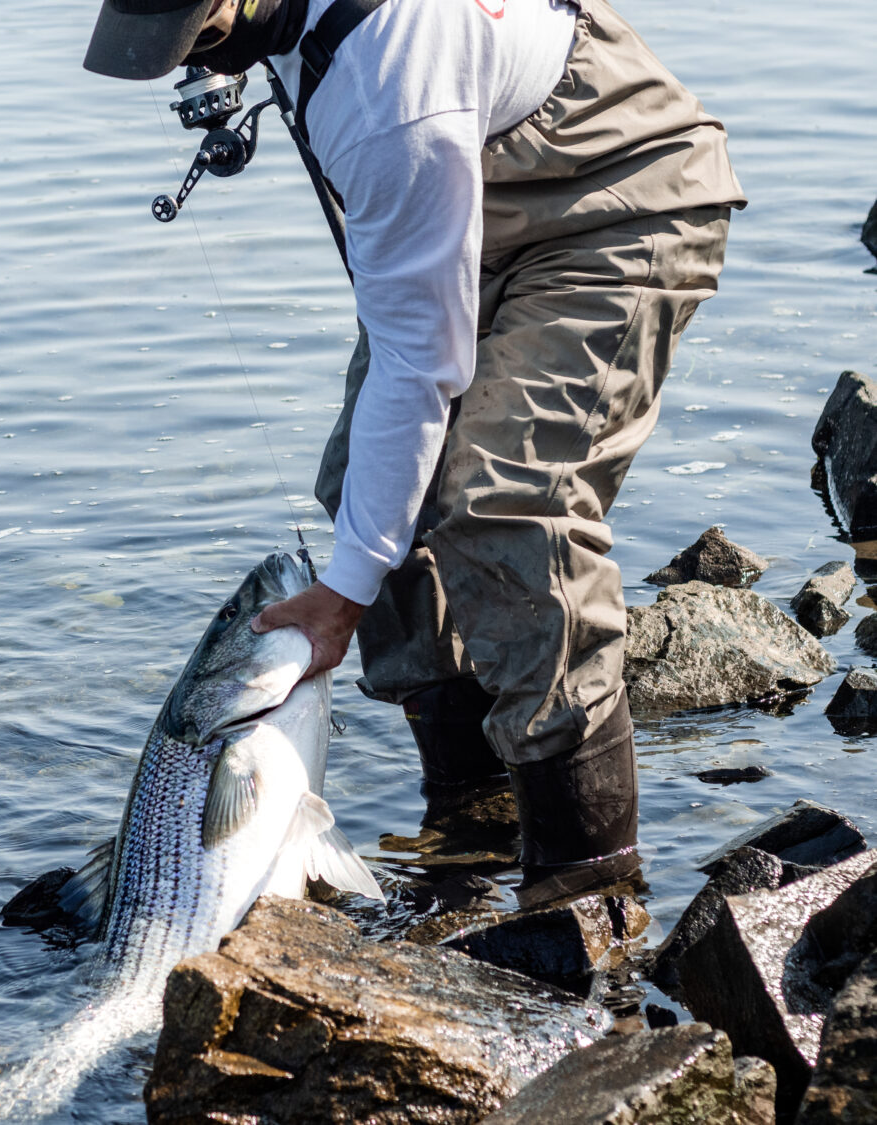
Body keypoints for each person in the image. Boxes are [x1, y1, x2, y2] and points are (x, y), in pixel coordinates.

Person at [83, 0, 744, 901]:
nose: (199, 56)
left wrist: (343, 597)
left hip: (615, 204)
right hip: (473, 204)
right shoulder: (334, 58)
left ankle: (585, 886)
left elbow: (418, 362)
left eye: (200, 32)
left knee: (507, 503)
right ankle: (470, 817)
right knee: (362, 487)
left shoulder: (390, 80)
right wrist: (363, 555)